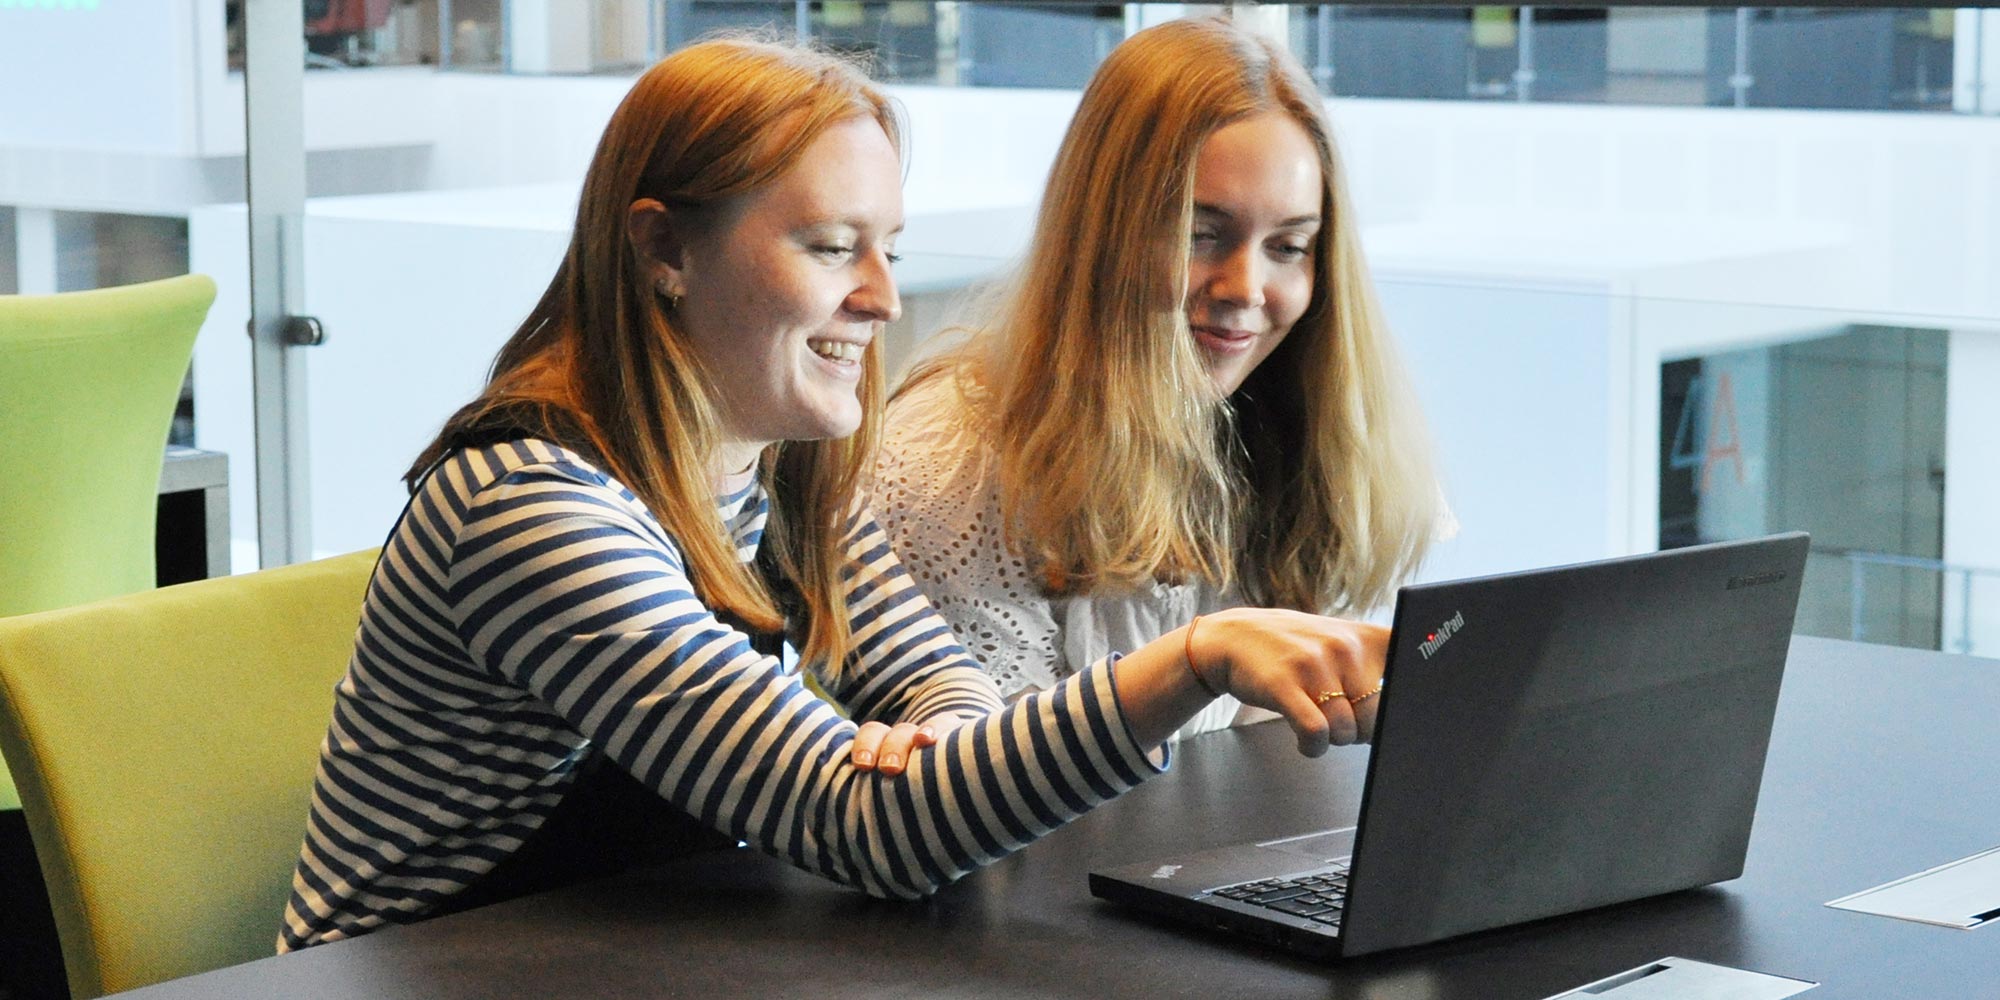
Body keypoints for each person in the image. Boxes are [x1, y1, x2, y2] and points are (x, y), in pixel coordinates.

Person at [279, 36, 1388, 953]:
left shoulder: (782, 466)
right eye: (829, 246)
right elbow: (864, 829)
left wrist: (941, 738)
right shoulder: (532, 509)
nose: (878, 297)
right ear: (663, 247)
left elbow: (936, 687)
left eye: (888, 248)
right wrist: (1191, 659)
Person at [873, 17, 1448, 737]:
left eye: (1290, 246)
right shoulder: (944, 467)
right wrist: (1201, 661)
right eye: (1200, 235)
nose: (1247, 287)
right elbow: (986, 795)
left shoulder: (1281, 421)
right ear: (1101, 236)